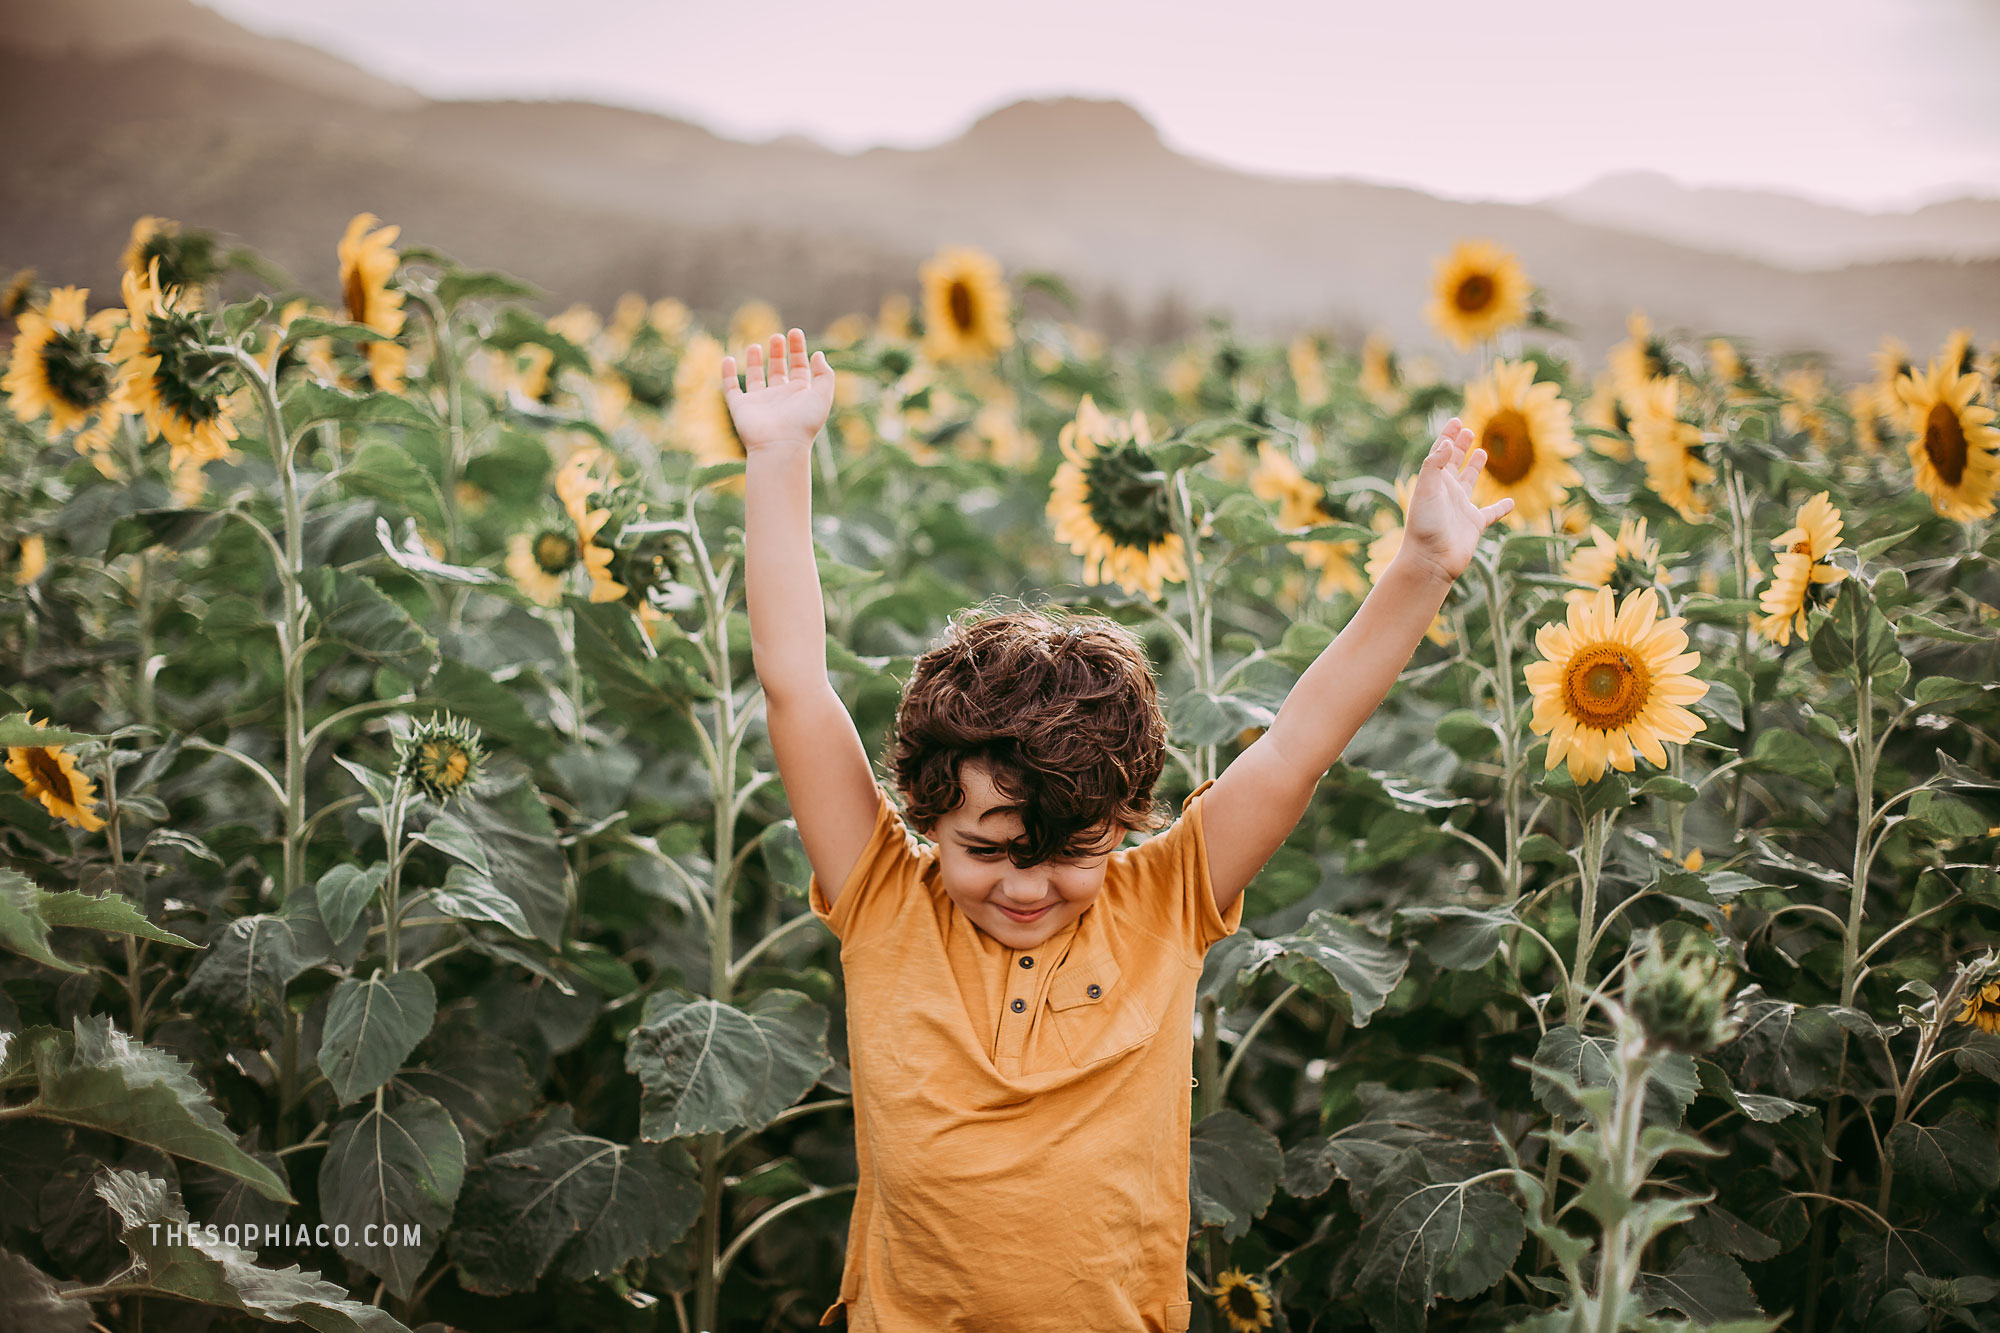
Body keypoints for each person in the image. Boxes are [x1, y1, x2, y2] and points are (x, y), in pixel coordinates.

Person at [724, 328, 1513, 1331]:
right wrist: (780, 454)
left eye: (1068, 856)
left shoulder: (1164, 903)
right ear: (924, 813)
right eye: (984, 851)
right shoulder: (883, 897)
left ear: (1124, 821)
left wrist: (1423, 566)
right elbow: (795, 686)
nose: (1023, 887)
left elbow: (1296, 746)